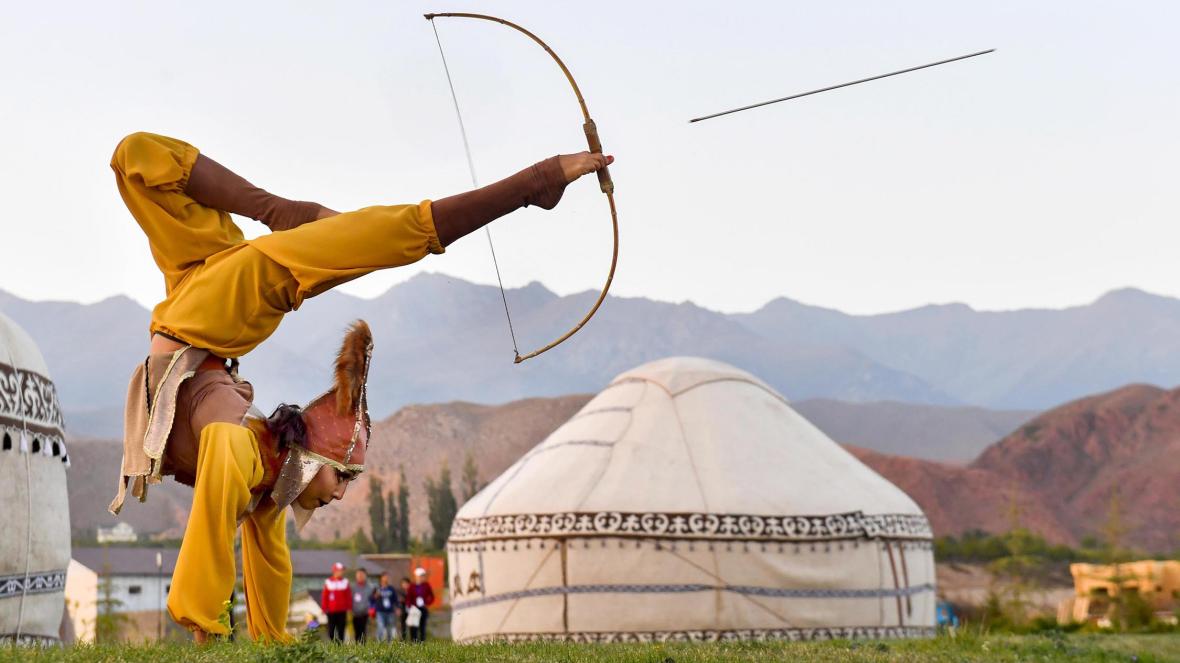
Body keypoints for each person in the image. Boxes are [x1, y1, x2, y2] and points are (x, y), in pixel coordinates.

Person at [105, 132, 613, 642]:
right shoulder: (262, 274)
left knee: (139, 162)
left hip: (198, 342)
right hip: (207, 338)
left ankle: (242, 626)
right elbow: (391, 234)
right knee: (376, 236)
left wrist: (271, 637)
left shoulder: (266, 473)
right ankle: (203, 614)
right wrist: (535, 181)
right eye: (345, 475)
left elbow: (264, 542)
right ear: (316, 456)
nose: (343, 494)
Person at [321, 562, 351, 643]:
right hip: (331, 611)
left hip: (342, 611)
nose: (342, 572)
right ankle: (333, 644)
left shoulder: (345, 582)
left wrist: (349, 608)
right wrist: (324, 608)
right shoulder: (328, 582)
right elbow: (325, 597)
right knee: (331, 630)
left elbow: (348, 596)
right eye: (340, 570)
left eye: (342, 570)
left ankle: (340, 645)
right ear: (335, 571)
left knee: (341, 630)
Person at [406, 567, 435, 642]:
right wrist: (409, 607)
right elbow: (408, 598)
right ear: (416, 576)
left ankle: (422, 644)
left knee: (422, 628)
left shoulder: (426, 585)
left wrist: (427, 603)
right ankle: (414, 644)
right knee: (414, 628)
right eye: (421, 576)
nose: (422, 577)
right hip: (414, 609)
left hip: (423, 609)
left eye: (423, 575)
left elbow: (432, 596)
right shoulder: (412, 586)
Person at [372, 572, 399, 642]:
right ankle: (379, 642)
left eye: (387, 577)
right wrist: (376, 596)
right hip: (380, 611)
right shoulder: (377, 588)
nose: (386, 578)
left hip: (390, 612)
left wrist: (398, 608)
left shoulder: (391, 589)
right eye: (385, 577)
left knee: (389, 628)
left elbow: (395, 599)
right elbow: (372, 599)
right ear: (381, 578)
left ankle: (389, 643)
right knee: (380, 626)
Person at [351, 567, 373, 643]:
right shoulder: (352, 587)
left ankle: (363, 647)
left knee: (364, 632)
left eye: (362, 575)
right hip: (355, 613)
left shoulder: (370, 587)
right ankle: (357, 647)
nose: (360, 576)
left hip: (365, 613)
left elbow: (373, 599)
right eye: (358, 575)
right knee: (357, 631)